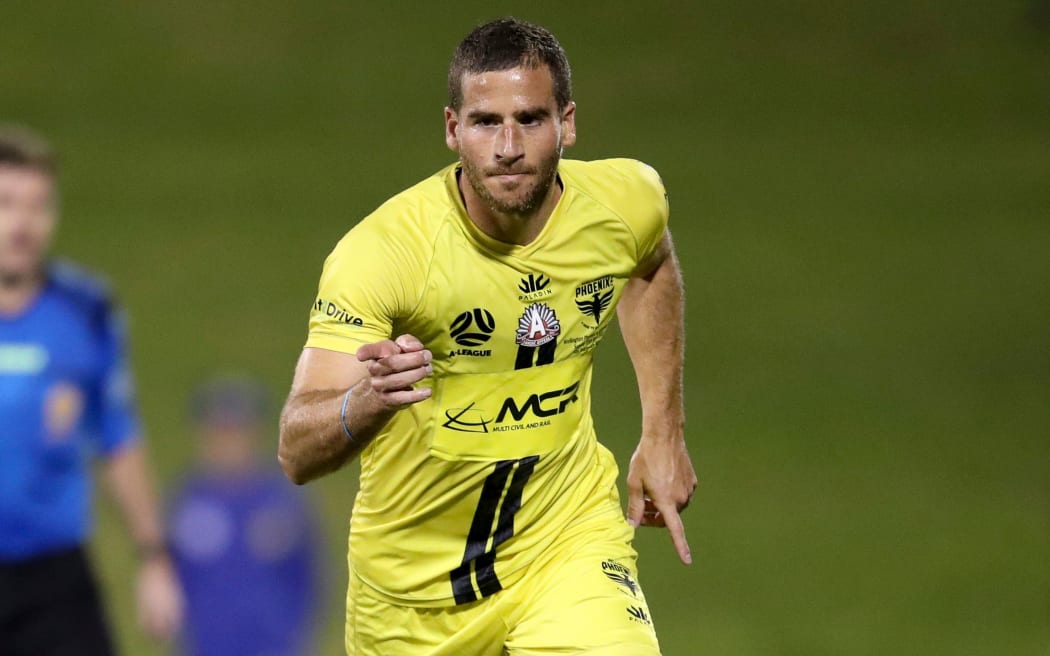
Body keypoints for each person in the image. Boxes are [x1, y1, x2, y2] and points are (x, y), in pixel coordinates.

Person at [279, 17, 696, 655]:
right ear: (453, 129)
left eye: (529, 119)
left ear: (567, 124)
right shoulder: (386, 254)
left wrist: (663, 431)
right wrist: (368, 400)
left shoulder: (624, 202)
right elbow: (296, 450)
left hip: (565, 547)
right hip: (413, 601)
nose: (507, 146)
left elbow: (651, 262)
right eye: (484, 122)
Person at [0, 125, 182, 654]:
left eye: (38, 206)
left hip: (53, 580)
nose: (23, 224)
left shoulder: (86, 311)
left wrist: (154, 558)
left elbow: (117, 435)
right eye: (6, 203)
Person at [167, 375, 323, 656]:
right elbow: (171, 579)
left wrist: (296, 636)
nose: (229, 443)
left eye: (237, 431)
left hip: (273, 646)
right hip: (206, 646)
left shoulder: (281, 502)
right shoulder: (188, 502)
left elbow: (310, 576)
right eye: (220, 432)